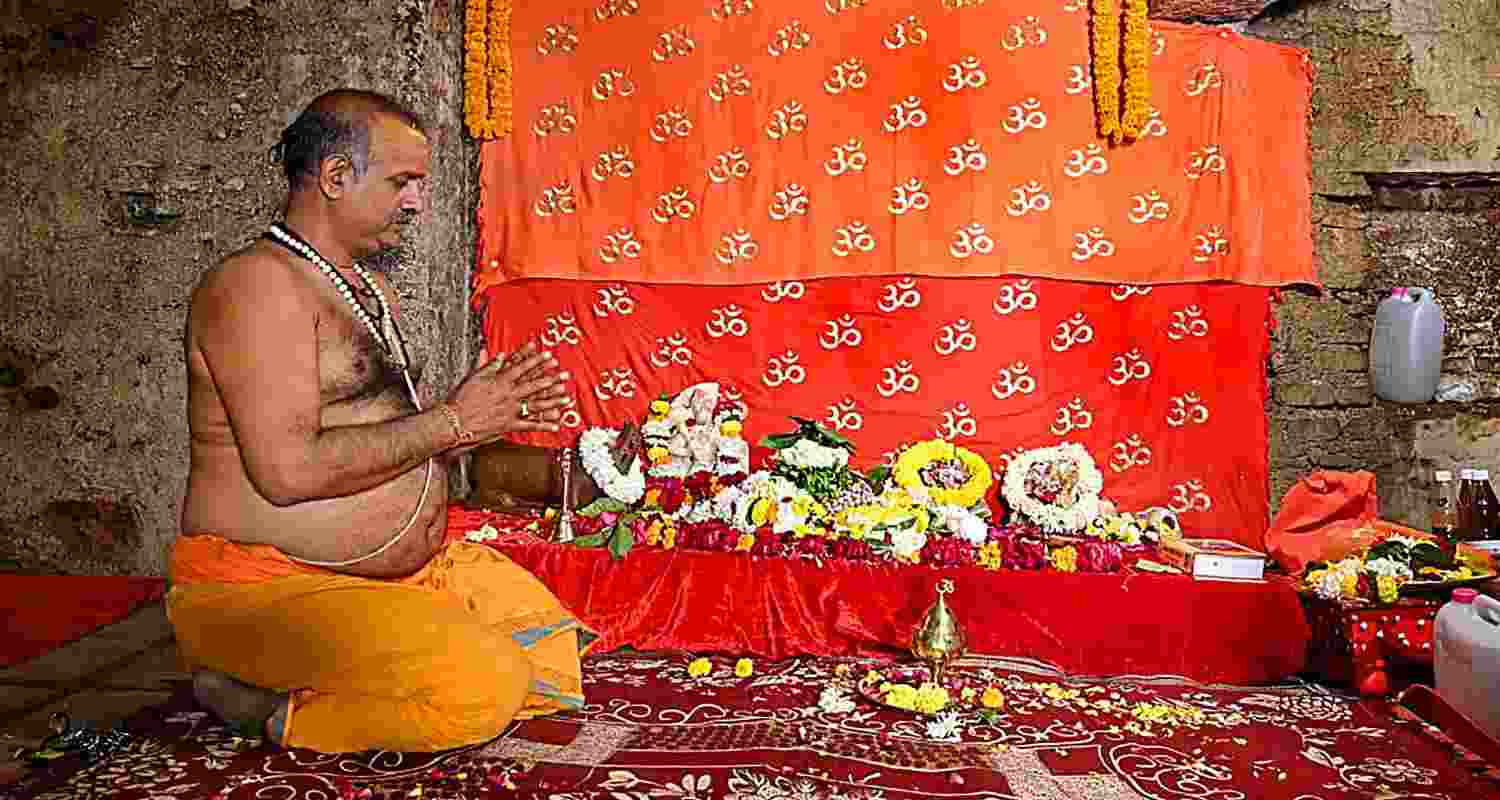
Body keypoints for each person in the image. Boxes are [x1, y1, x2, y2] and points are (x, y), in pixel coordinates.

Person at [168, 89, 594, 754]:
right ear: (337, 177)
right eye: (404, 182)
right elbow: (287, 474)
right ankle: (271, 709)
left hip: (378, 579)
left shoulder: (363, 286)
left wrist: (476, 427)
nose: (418, 202)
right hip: (270, 586)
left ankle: (350, 669)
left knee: (547, 646)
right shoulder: (256, 288)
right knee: (482, 687)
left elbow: (394, 439)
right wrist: (453, 421)